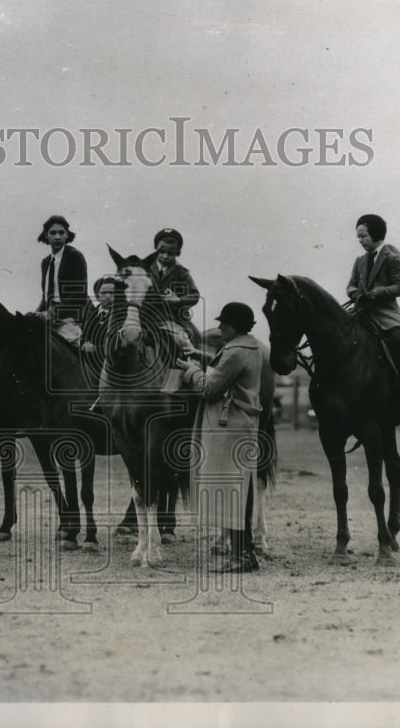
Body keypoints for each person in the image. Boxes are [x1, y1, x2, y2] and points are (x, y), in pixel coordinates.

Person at [176, 302, 262, 573]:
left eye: (224, 323)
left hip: (228, 425)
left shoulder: (236, 351)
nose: (220, 326)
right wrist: (199, 354)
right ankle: (245, 552)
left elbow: (210, 389)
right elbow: (225, 366)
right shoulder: (250, 345)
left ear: (234, 326)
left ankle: (242, 556)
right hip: (242, 423)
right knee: (239, 489)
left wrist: (190, 371)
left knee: (230, 490)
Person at [346, 214, 400, 400]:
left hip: (386, 313)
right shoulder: (359, 261)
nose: (360, 240)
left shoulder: (392, 258)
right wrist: (356, 294)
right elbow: (350, 285)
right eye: (358, 236)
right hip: (362, 310)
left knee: (396, 339)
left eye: (363, 236)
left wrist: (376, 293)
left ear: (376, 234)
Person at [34, 215, 90, 343]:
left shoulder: (75, 256)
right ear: (46, 236)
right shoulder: (46, 262)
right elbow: (46, 296)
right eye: (53, 233)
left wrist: (54, 313)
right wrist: (34, 313)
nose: (57, 237)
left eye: (61, 232)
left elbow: (80, 293)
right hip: (47, 320)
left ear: (67, 235)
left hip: (69, 321)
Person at [148, 228, 201, 347]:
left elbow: (195, 295)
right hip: (146, 315)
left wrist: (178, 300)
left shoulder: (182, 272)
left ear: (177, 253)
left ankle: (191, 363)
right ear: (156, 250)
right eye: (161, 252)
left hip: (171, 319)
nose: (165, 256)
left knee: (184, 341)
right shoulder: (146, 268)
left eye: (170, 253)